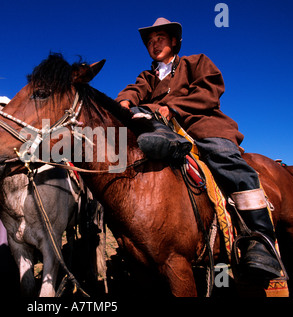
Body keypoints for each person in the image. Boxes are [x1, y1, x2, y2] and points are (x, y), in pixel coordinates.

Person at [116, 17, 283, 281]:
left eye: (159, 38)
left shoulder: (197, 62)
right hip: (161, 130)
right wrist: (123, 104)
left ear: (173, 41)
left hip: (201, 127)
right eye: (150, 41)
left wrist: (171, 107)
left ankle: (262, 242)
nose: (154, 43)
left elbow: (209, 91)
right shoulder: (147, 76)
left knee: (229, 162)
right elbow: (134, 91)